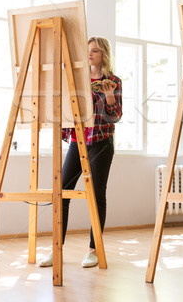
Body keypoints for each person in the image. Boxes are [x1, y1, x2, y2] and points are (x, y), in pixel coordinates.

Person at [40, 36, 122, 268]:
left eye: (95, 51)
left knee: (96, 195)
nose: (90, 54)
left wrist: (108, 96)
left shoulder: (114, 80)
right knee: (63, 191)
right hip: (78, 141)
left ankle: (93, 250)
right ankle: (56, 249)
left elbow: (115, 117)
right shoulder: (77, 79)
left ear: (103, 55)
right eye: (88, 50)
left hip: (101, 142)